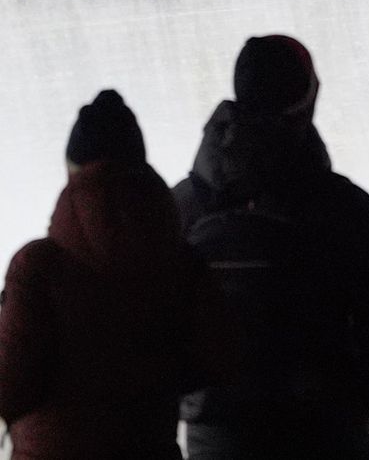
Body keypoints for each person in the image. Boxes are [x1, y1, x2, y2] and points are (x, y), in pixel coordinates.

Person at [173, 35, 369, 460]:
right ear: (306, 102)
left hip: (218, 433)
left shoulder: (184, 207)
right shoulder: (344, 206)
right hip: (326, 430)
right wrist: (363, 410)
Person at [0, 91, 228, 460]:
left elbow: (11, 388)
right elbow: (216, 359)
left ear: (72, 171)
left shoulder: (36, 268)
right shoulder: (182, 264)